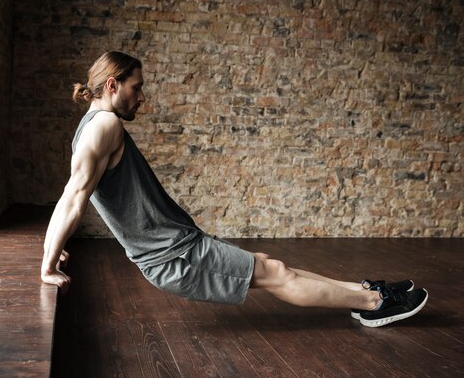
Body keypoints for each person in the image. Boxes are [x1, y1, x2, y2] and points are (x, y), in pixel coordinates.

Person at [40, 51, 428, 328]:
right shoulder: (106, 125)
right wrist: (47, 263)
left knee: (270, 264)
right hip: (174, 256)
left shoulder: (91, 127)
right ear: (113, 84)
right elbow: (74, 198)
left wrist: (52, 254)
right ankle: (375, 304)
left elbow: (74, 193)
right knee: (275, 272)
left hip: (180, 244)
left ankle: (362, 289)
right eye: (136, 87)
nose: (142, 97)